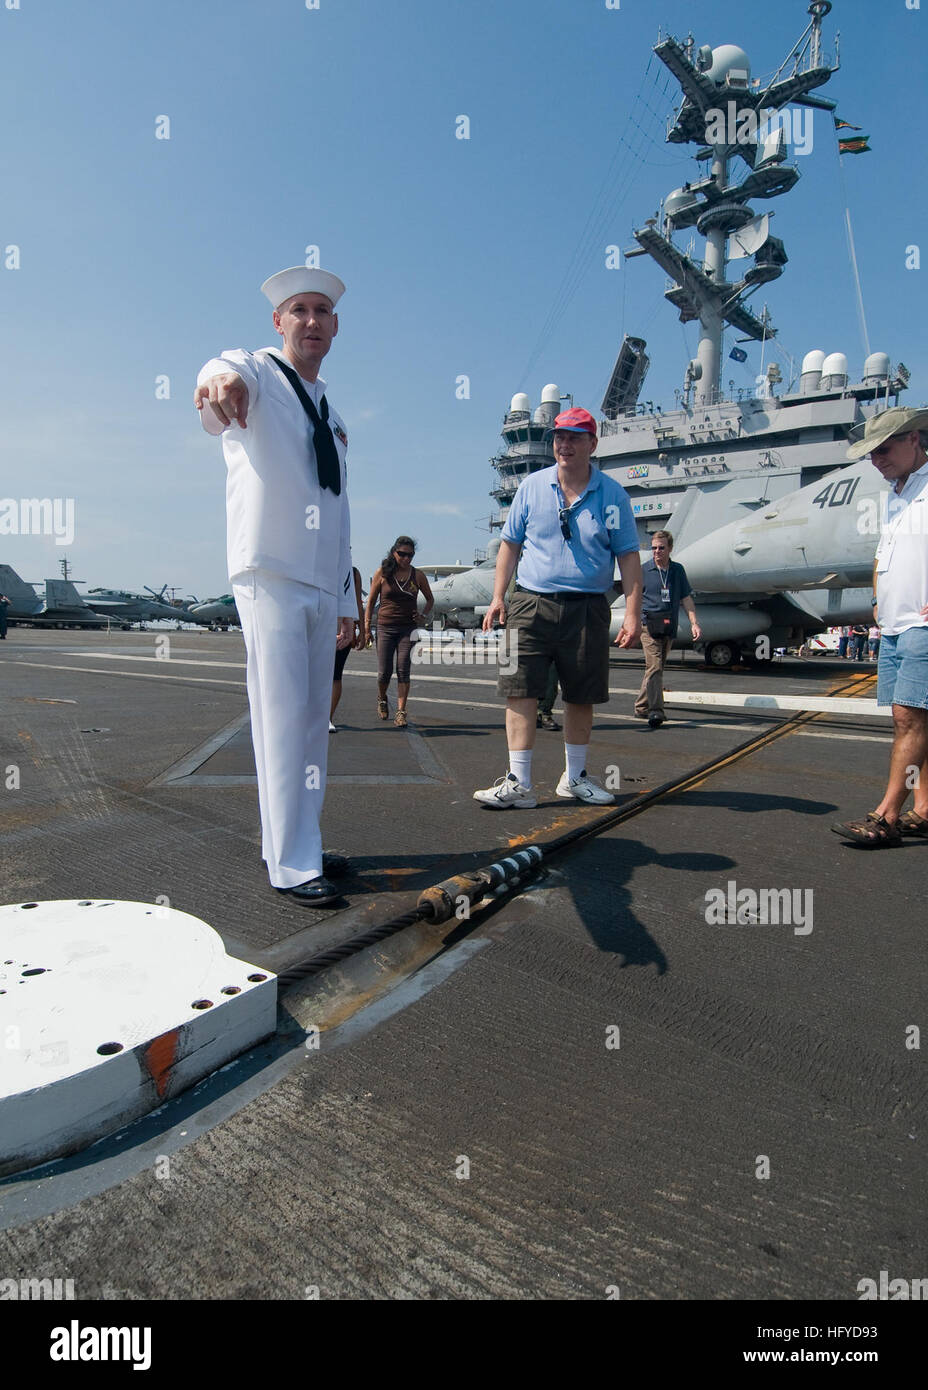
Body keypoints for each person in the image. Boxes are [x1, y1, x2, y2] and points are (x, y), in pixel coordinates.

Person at [194, 266, 355, 905]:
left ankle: (300, 843)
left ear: (335, 326)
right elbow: (219, 373)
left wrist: (346, 598)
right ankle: (289, 865)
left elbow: (340, 511)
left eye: (322, 311)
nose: (311, 321)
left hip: (320, 581)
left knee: (314, 721)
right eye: (300, 310)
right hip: (270, 572)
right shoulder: (257, 373)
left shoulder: (334, 416)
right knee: (283, 718)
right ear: (278, 322)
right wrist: (218, 382)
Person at [473, 406, 642, 808]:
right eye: (559, 437)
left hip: (587, 608)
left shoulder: (612, 495)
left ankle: (575, 777)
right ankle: (519, 783)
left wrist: (633, 613)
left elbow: (629, 558)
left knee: (580, 695)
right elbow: (510, 544)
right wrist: (499, 597)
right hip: (529, 603)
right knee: (519, 690)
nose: (565, 445)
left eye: (575, 437)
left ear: (592, 444)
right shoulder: (531, 487)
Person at [833, 406, 928, 847]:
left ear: (914, 439)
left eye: (884, 448)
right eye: (871, 453)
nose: (876, 459)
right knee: (918, 719)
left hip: (920, 627)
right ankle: (924, 809)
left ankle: (887, 816)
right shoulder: (897, 493)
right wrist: (877, 596)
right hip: (893, 624)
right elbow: (883, 555)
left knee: (907, 717)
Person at [634, 530, 701, 728]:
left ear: (670, 549)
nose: (657, 551)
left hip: (669, 626)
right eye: (654, 548)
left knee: (655, 669)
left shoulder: (677, 571)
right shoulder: (643, 570)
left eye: (661, 548)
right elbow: (634, 597)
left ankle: (641, 706)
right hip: (648, 625)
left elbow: (686, 598)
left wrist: (694, 622)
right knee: (654, 667)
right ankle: (656, 711)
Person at [364, 537, 433, 728]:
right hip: (385, 627)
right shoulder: (383, 573)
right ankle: (382, 697)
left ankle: (401, 712)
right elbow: (370, 602)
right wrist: (367, 627)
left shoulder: (417, 576)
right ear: (394, 552)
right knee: (384, 672)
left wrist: (423, 616)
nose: (406, 558)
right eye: (402, 554)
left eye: (410, 555)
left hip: (407, 629)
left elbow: (430, 599)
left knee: (403, 670)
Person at [330, 566, 365, 731]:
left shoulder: (353, 573)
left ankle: (327, 718)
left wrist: (362, 632)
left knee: (335, 675)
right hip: (318, 626)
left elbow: (357, 601)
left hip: (343, 629)